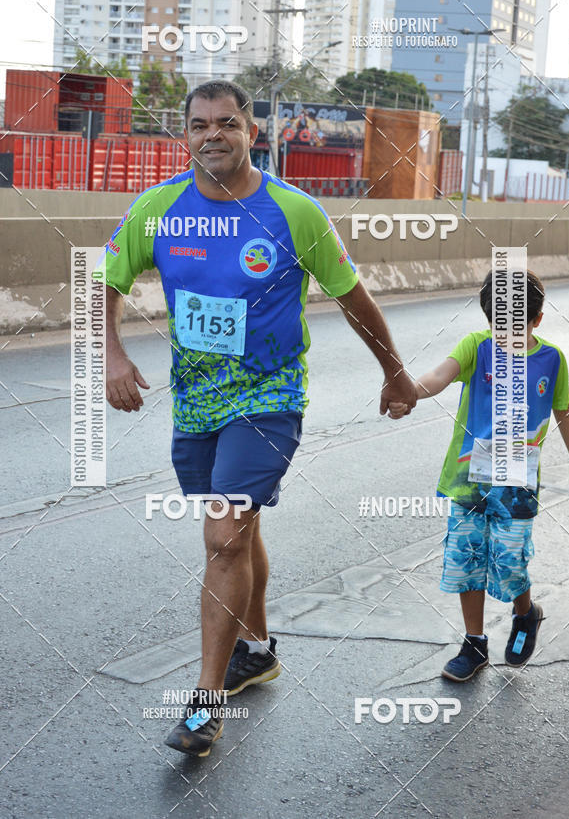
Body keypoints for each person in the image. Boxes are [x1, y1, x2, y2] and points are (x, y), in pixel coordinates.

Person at [101, 80, 417, 755]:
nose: (212, 135)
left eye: (227, 123)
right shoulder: (159, 209)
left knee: (223, 535)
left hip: (270, 398)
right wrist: (111, 354)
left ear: (252, 132)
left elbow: (352, 296)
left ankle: (205, 703)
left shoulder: (294, 212)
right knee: (237, 530)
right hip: (197, 400)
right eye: (199, 125)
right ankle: (256, 648)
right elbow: (104, 281)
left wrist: (394, 371)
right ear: (186, 135)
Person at [400, 270, 569, 682]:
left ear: (537, 320)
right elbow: (439, 376)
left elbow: (564, 409)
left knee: (509, 561)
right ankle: (474, 643)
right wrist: (410, 391)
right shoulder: (476, 347)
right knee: (467, 560)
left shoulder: (552, 359)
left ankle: (526, 613)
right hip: (468, 482)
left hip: (517, 487)